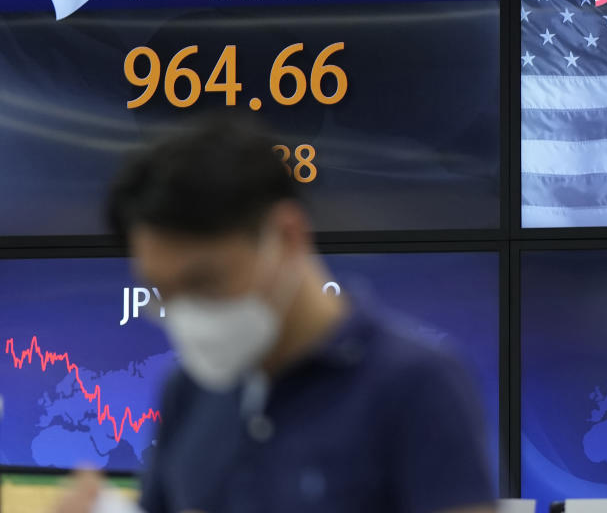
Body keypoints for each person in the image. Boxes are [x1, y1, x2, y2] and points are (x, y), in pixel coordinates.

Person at [54, 116, 494, 513]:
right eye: (163, 292)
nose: (186, 313)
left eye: (204, 282)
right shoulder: (189, 392)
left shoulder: (415, 386)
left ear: (286, 235)